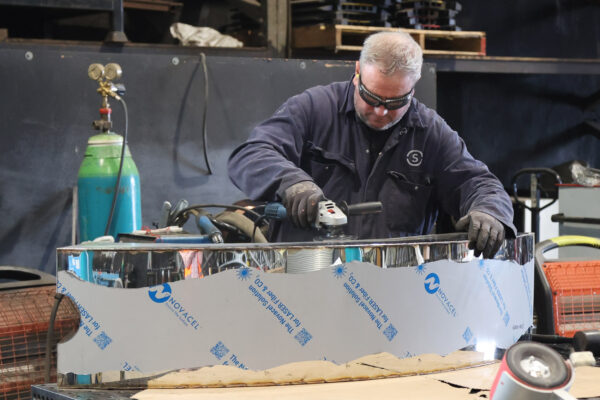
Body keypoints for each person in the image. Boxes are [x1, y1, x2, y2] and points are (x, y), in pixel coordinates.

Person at [228, 31, 516, 258]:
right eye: (372, 98)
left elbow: (478, 182)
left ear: (413, 90)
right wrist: (293, 184)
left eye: (395, 103)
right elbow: (252, 154)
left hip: (393, 290)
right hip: (305, 278)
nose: (381, 111)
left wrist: (490, 212)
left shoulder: (430, 133)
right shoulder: (314, 109)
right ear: (357, 73)